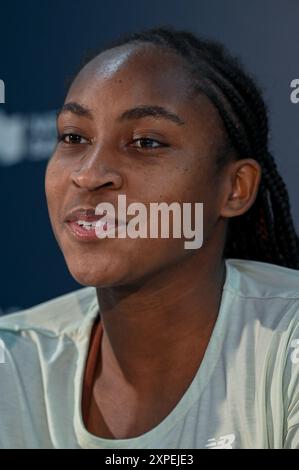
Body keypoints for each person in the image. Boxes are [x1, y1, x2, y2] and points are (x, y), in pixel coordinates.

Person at [0, 26, 299, 449]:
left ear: (235, 188)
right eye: (73, 137)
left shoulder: (288, 347)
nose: (87, 174)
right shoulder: (11, 358)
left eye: (145, 142)